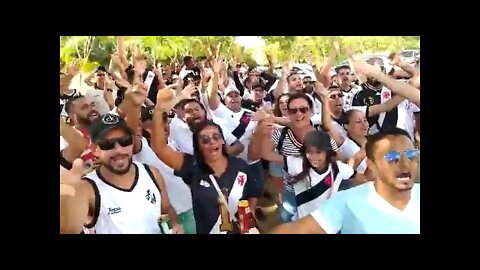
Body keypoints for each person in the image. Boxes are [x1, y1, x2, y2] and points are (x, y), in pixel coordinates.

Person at [270, 127, 420, 234]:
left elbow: (358, 176)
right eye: (392, 158)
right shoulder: (346, 202)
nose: (405, 164)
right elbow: (297, 229)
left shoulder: (338, 168)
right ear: (372, 165)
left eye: (411, 154)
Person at [60, 114, 182, 234]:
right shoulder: (87, 189)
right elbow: (69, 228)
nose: (119, 150)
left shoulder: (151, 172)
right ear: (94, 149)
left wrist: (175, 225)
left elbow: (166, 210)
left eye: (125, 141)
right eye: (108, 144)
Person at [151, 110, 261, 234]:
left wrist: (249, 214)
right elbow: (160, 149)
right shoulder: (192, 167)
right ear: (197, 145)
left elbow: (252, 192)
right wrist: (160, 108)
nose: (212, 142)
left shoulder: (240, 166)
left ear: (222, 140)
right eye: (205, 139)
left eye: (216, 137)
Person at [249, 92, 339, 223]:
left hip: (322, 193)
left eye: (303, 109)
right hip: (292, 194)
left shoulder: (322, 136)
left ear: (311, 112)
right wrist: (260, 134)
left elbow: (337, 159)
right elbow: (258, 155)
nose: (299, 114)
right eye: (293, 110)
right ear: (288, 114)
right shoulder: (280, 134)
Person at [281, 130, 363, 219]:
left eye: (318, 152)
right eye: (309, 152)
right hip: (304, 222)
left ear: (327, 152)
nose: (314, 157)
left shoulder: (338, 168)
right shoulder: (296, 164)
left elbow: (359, 178)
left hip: (327, 221)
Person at [169, 98, 244, 156]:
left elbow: (239, 146)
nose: (194, 113)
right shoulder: (178, 129)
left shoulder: (216, 126)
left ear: (203, 112)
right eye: (189, 111)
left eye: (197, 109)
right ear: (183, 117)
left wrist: (223, 152)